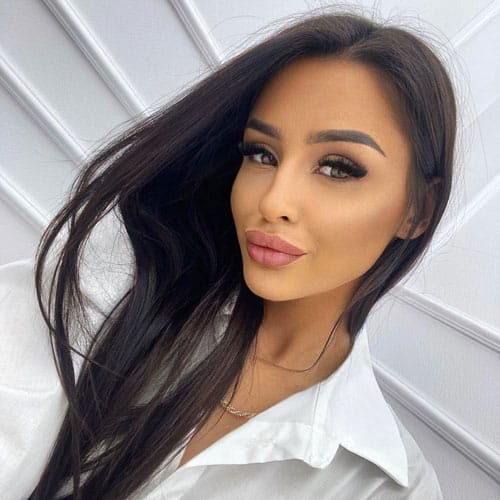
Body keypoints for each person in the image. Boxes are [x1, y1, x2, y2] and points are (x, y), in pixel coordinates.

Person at [0, 10, 456, 500]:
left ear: (418, 210)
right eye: (261, 154)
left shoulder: (384, 486)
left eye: (338, 168)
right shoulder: (122, 281)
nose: (273, 202)